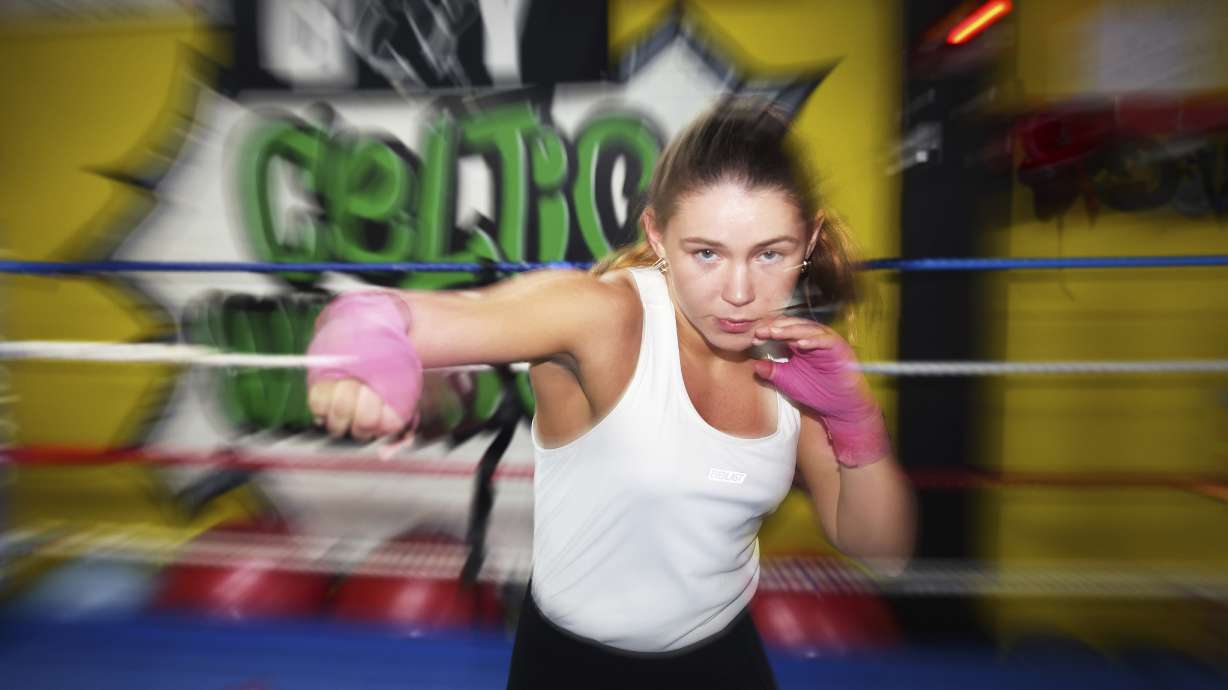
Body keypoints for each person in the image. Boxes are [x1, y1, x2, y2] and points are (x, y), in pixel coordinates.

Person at [305, 98, 916, 689]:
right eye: (705, 253)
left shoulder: (795, 362)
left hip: (724, 658)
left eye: (769, 254)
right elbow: (390, 314)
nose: (737, 290)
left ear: (807, 243)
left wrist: (857, 422)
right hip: (571, 667)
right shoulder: (604, 318)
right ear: (657, 235)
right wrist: (363, 349)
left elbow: (882, 550)